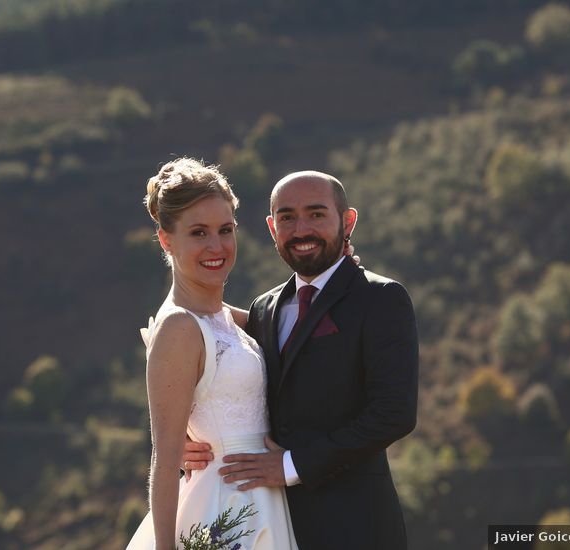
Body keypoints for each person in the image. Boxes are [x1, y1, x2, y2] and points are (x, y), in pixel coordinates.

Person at [183, 171, 420, 549]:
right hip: (267, 521)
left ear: (348, 221)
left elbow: (394, 413)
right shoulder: (264, 308)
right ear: (271, 227)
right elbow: (230, 376)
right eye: (287, 217)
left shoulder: (381, 298)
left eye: (316, 214)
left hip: (355, 527)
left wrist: (292, 465)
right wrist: (189, 440)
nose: (301, 229)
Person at [126, 158, 298, 550]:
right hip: (221, 511)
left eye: (225, 230)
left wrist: (342, 265)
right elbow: (165, 463)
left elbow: (297, 316)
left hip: (267, 502)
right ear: (166, 239)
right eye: (198, 233)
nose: (216, 246)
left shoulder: (226, 318)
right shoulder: (179, 328)